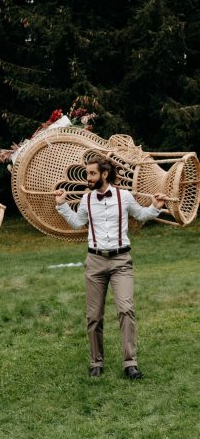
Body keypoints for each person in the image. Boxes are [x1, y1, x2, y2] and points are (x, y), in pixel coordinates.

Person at [55, 156, 166, 380]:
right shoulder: (86, 200)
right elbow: (77, 223)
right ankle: (96, 362)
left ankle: (130, 364)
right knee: (94, 315)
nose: (88, 178)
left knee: (126, 309)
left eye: (92, 174)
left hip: (121, 261)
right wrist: (62, 205)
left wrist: (155, 207)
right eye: (87, 174)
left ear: (104, 174)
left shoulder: (124, 196)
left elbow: (140, 215)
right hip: (95, 261)